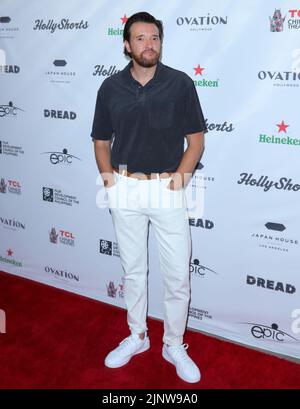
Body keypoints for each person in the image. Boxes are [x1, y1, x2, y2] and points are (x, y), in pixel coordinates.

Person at [91, 11, 206, 383]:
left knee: (176, 276)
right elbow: (100, 140)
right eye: (140, 38)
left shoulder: (180, 84)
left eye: (154, 37)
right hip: (125, 187)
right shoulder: (110, 88)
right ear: (127, 45)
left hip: (167, 188)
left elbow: (197, 139)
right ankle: (137, 335)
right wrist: (110, 180)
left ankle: (173, 343)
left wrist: (179, 180)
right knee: (133, 271)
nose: (149, 44)